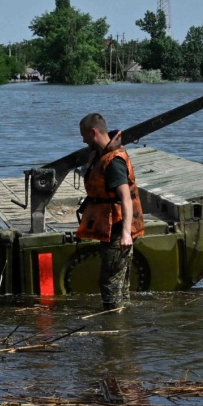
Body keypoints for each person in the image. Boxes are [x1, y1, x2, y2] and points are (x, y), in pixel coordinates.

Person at [76, 112, 141, 309]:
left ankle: (114, 330)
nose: (82, 139)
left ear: (93, 132)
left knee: (110, 284)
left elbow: (126, 198)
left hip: (119, 228)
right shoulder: (100, 155)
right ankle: (122, 324)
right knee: (120, 283)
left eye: (84, 135)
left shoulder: (113, 161)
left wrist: (126, 234)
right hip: (110, 226)